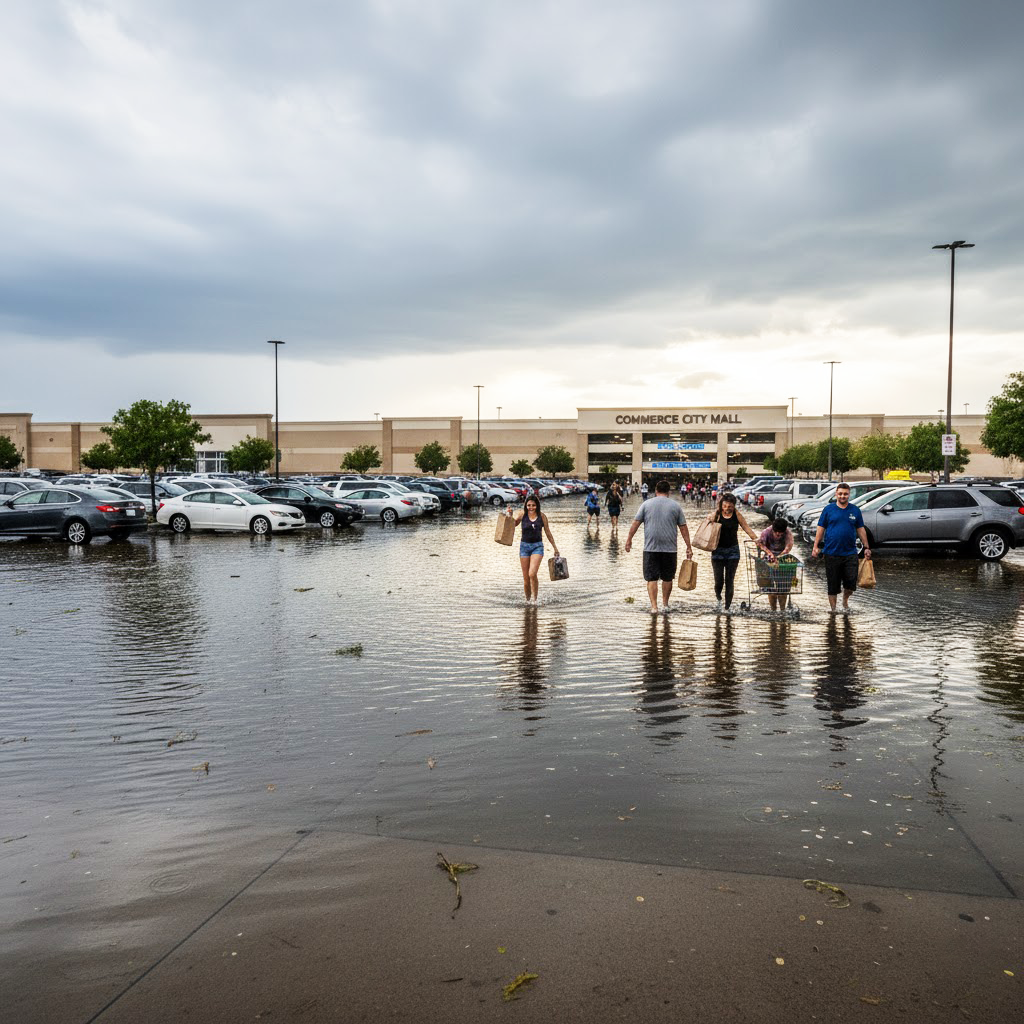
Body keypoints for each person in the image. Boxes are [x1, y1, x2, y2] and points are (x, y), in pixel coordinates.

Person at [624, 479, 693, 614]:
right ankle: (665, 605)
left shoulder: (646, 504)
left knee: (651, 578)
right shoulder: (675, 506)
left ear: (656, 491)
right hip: (670, 549)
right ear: (669, 492)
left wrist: (629, 540)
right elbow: (683, 528)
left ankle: (654, 607)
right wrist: (688, 547)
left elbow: (635, 524)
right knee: (667, 577)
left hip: (650, 548)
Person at [811, 482, 872, 614]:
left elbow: (860, 529)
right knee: (833, 585)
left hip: (850, 553)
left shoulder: (855, 510)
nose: (842, 496)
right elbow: (821, 528)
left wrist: (866, 547)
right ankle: (833, 610)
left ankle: (845, 602)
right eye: (840, 494)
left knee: (850, 584)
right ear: (836, 494)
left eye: (845, 494)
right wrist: (815, 546)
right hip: (831, 553)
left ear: (849, 495)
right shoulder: (828, 509)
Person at [705, 491, 760, 613]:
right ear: (721, 505)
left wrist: (756, 540)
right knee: (719, 581)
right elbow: (707, 525)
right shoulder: (717, 514)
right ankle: (718, 597)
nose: (727, 509)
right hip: (717, 551)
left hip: (733, 551)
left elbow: (746, 528)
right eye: (724, 506)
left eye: (729, 506)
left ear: (734, 505)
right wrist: (710, 518)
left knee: (730, 580)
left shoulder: (737, 515)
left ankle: (727, 608)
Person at [514, 494, 559, 603]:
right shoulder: (522, 514)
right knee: (526, 580)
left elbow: (548, 532)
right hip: (524, 547)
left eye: (533, 505)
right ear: (526, 505)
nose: (531, 507)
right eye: (529, 505)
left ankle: (535, 601)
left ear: (537, 506)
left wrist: (555, 548)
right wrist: (510, 515)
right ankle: (528, 601)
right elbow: (513, 524)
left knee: (532, 574)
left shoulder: (542, 516)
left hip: (537, 547)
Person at [758, 517, 795, 613]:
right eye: (776, 532)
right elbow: (761, 545)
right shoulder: (766, 532)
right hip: (768, 559)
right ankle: (773, 610)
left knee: (783, 588)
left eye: (780, 532)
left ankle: (782, 610)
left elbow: (788, 547)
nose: (778, 534)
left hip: (783, 560)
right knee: (771, 588)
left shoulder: (788, 533)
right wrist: (769, 553)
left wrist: (779, 557)